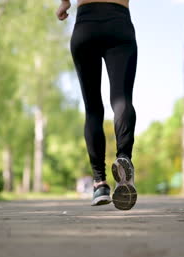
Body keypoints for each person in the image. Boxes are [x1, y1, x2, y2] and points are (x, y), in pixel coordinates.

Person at [56, 0, 138, 210]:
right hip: (119, 24)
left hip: (86, 24)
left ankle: (100, 184)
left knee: (93, 109)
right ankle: (123, 160)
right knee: (122, 100)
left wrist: (64, 3)